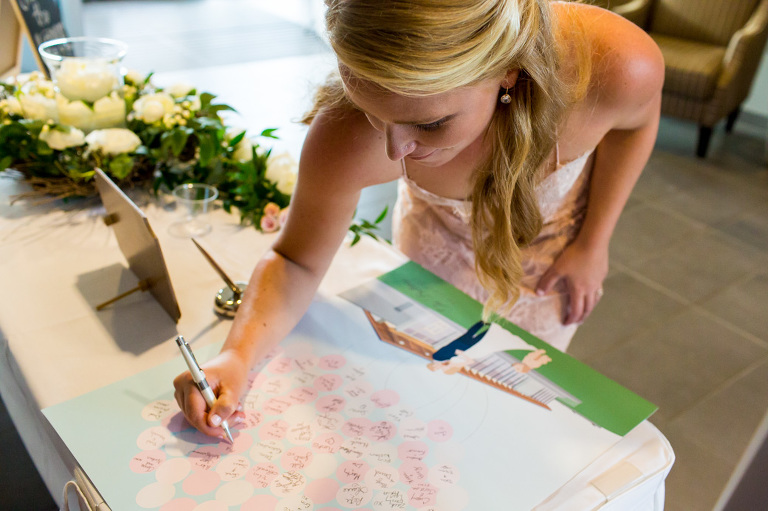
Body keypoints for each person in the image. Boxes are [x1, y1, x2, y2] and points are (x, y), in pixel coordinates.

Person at [174, 0, 664, 439]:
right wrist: (237, 355)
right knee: (433, 407)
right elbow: (294, 259)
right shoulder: (344, 137)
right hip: (435, 244)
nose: (394, 151)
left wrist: (594, 243)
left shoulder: (615, 65)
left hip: (553, 253)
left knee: (517, 411)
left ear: (509, 71)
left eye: (430, 124)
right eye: (373, 112)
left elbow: (637, 124)